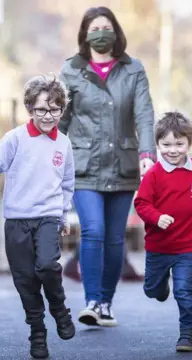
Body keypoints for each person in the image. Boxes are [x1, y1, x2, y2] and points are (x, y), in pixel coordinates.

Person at [58, 6, 156, 327]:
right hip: (83, 165)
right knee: (93, 231)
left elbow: (143, 113)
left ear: (115, 31)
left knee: (115, 239)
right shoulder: (71, 70)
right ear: (85, 35)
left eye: (106, 26)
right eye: (94, 28)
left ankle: (106, 303)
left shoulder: (133, 70)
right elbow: (62, 119)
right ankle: (91, 301)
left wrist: (146, 153)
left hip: (123, 165)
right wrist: (50, 156)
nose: (101, 32)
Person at [0, 74, 76, 359]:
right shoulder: (14, 139)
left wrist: (64, 214)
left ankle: (59, 308)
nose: (48, 115)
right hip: (17, 219)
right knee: (25, 280)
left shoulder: (63, 143)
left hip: (49, 217)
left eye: (54, 109)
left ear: (62, 110)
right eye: (41, 109)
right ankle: (38, 332)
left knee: (48, 266)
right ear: (30, 108)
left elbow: (67, 183)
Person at [133, 111, 192, 352]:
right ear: (158, 144)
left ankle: (188, 334)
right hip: (158, 247)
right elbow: (141, 204)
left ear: (189, 143)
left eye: (179, 144)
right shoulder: (153, 175)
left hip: (185, 247)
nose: (173, 150)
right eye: (166, 144)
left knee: (184, 290)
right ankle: (161, 286)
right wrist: (157, 218)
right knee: (152, 290)